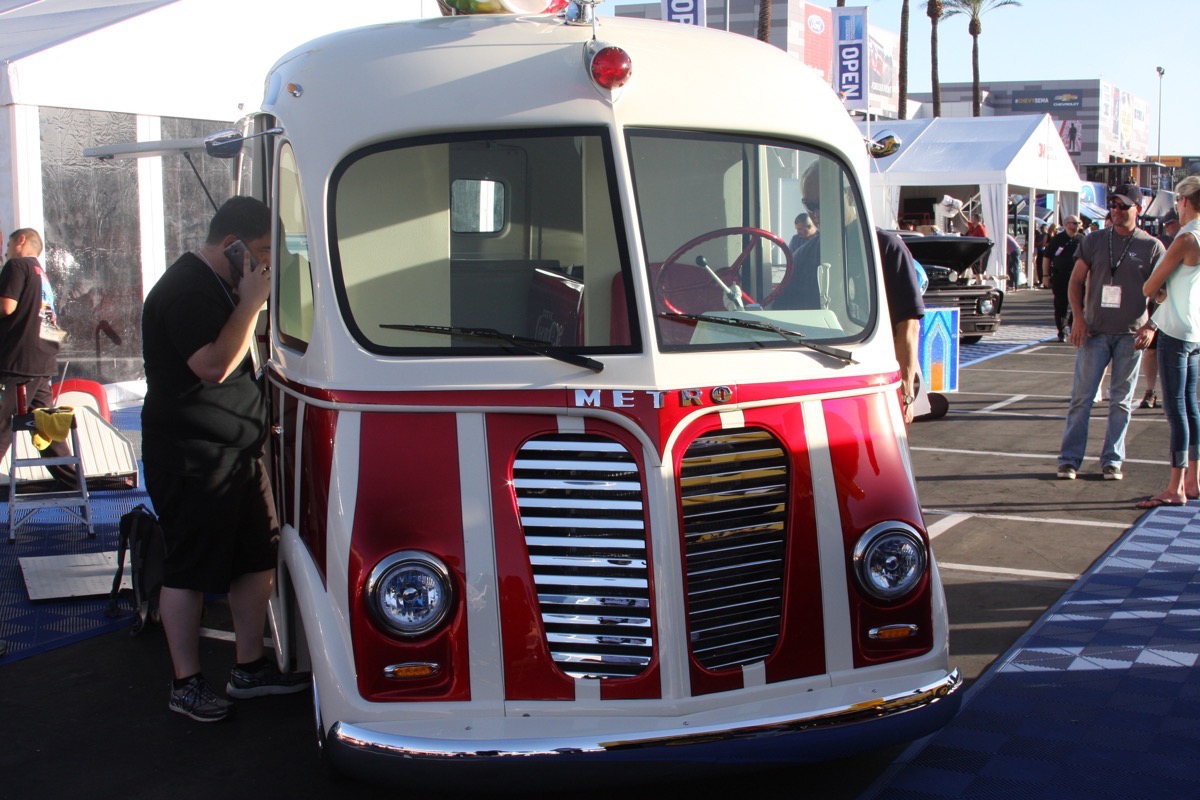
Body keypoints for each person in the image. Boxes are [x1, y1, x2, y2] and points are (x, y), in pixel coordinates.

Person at [142, 196, 308, 723]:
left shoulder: (217, 287)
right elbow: (212, 365)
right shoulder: (186, 289)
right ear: (232, 244)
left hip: (235, 453)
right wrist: (252, 304)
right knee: (188, 569)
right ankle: (186, 683)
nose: (265, 266)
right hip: (192, 458)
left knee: (256, 557)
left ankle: (249, 667)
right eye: (260, 253)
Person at [1057, 184, 1165, 482]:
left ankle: (1112, 460)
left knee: (1121, 401)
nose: (1116, 210)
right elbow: (1075, 281)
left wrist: (1151, 326)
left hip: (1130, 335)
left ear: (1137, 210)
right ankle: (1069, 460)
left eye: (1123, 206)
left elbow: (1166, 293)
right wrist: (1077, 319)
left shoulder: (1152, 246)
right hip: (1094, 332)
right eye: (1113, 205)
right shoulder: (1093, 240)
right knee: (1082, 399)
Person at [1137, 177, 1200, 507]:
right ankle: (1193, 480)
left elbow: (1150, 287)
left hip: (1176, 329)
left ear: (1186, 202)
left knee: (1176, 408)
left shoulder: (1186, 237)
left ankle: (1176, 486)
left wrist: (1160, 288)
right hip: (1195, 328)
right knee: (1190, 405)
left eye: (1178, 201)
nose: (1176, 206)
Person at [0, 228, 74, 482]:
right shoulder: (42, 276)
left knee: (1, 424)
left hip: (19, 360)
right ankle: (72, 479)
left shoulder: (16, 265)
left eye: (8, 244)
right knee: (46, 424)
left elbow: (6, 306)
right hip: (42, 359)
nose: (6, 250)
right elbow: (50, 322)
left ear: (21, 241)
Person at [877, 229, 926, 424]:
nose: (816, 214)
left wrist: (906, 394)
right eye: (810, 206)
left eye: (818, 206)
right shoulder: (812, 249)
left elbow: (909, 326)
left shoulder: (887, 247)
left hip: (881, 379)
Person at [1043, 216, 1084, 341]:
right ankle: (1062, 330)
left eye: (1078, 223)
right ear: (1067, 224)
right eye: (1074, 223)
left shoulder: (1082, 239)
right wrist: (1045, 276)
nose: (1077, 225)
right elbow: (1047, 257)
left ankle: (1071, 323)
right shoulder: (1057, 239)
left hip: (1078, 276)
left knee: (1080, 302)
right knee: (1061, 303)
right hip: (1060, 275)